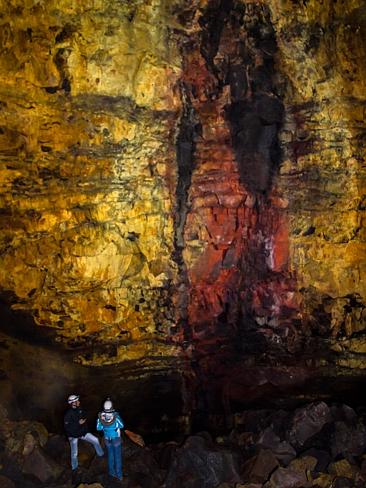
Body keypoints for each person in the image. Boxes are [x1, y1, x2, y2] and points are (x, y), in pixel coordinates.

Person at [64, 394, 104, 475]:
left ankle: (101, 455)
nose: (79, 402)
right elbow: (67, 427)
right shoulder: (68, 414)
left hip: (82, 433)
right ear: (73, 403)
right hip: (73, 435)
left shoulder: (80, 409)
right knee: (74, 453)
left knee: (95, 440)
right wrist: (78, 423)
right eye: (77, 401)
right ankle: (74, 468)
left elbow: (84, 417)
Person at [96, 398, 125, 481]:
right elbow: (121, 425)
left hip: (107, 439)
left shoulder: (101, 417)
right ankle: (119, 476)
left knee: (110, 456)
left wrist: (101, 420)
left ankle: (111, 473)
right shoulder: (116, 416)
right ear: (112, 406)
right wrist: (115, 417)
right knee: (117, 457)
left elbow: (98, 428)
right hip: (116, 439)